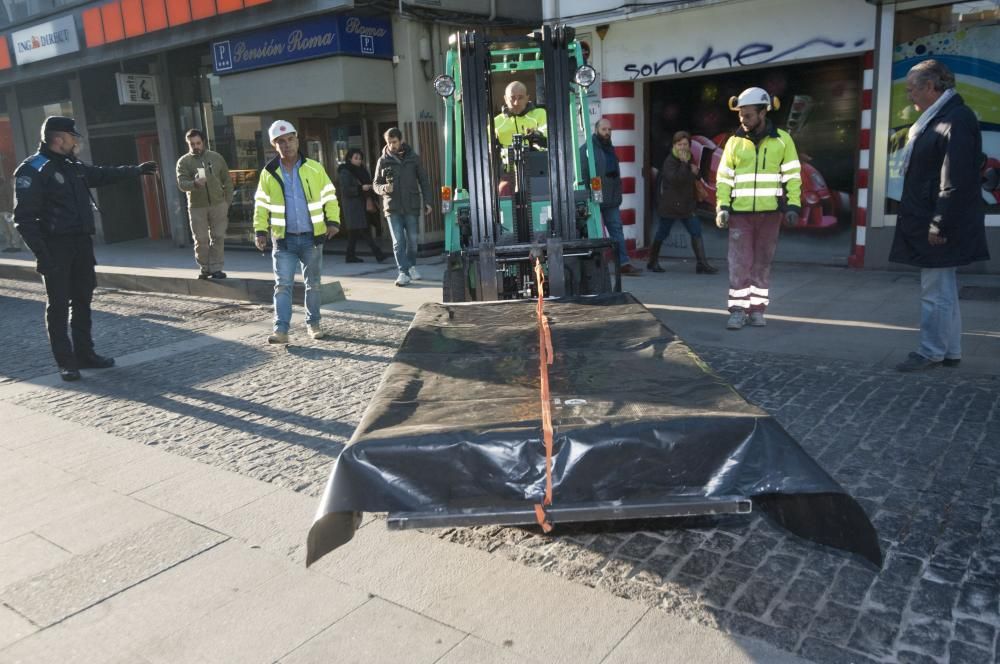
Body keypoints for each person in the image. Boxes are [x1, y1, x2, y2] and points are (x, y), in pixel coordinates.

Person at [12, 116, 158, 381]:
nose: (76, 141)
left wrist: (135, 170)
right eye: (72, 136)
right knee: (57, 306)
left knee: (82, 301)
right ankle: (66, 362)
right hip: (55, 247)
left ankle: (84, 354)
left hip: (81, 244)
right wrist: (42, 257)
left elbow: (101, 174)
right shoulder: (33, 169)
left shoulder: (72, 165)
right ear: (58, 138)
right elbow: (24, 220)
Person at [889, 59, 989, 372]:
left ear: (931, 87)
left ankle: (930, 351)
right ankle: (950, 350)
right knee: (943, 288)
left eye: (911, 89)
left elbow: (955, 177)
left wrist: (939, 222)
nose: (909, 96)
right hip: (933, 215)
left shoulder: (953, 119)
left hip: (940, 220)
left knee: (935, 291)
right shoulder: (942, 118)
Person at [715, 87, 801, 329]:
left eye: (748, 115)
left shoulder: (783, 141)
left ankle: (757, 310)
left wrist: (794, 205)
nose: (743, 120)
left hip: (770, 214)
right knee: (739, 263)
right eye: (740, 115)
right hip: (740, 215)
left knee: (762, 263)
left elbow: (793, 176)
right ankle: (738, 310)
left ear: (763, 113)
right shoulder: (734, 142)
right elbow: (724, 178)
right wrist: (722, 207)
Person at [253, 121, 340, 344]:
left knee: (314, 285)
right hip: (284, 240)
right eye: (281, 141)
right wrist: (260, 231)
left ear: (297, 140)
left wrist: (333, 222)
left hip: (312, 237)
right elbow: (261, 204)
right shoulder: (269, 173)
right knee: (283, 285)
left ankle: (314, 324)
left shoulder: (314, 168)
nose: (287, 144)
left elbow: (330, 196)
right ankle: (281, 330)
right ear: (275, 145)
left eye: (290, 139)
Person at [648, 130, 717, 274]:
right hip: (671, 205)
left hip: (687, 205)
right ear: (674, 145)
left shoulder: (689, 158)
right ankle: (652, 261)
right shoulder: (670, 161)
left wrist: (696, 173)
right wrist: (686, 166)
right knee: (662, 232)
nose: (682, 147)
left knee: (696, 231)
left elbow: (691, 179)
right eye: (679, 144)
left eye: (685, 144)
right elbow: (676, 180)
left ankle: (702, 264)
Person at [372, 128, 432, 287]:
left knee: (413, 241)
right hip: (392, 207)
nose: (391, 145)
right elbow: (375, 185)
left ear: (401, 141)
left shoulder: (414, 158)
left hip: (411, 205)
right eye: (388, 143)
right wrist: (385, 188)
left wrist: (428, 201)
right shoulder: (382, 160)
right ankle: (403, 273)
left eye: (394, 142)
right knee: (398, 242)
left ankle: (411, 266)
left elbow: (424, 181)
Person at [582, 117, 641, 275]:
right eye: (604, 129)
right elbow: (583, 173)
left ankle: (623, 263)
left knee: (616, 230)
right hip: (594, 196)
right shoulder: (587, 148)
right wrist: (588, 194)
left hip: (611, 197)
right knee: (595, 232)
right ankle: (596, 266)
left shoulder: (609, 147)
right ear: (596, 130)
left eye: (609, 130)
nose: (607, 132)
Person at [176, 128, 232, 279]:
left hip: (218, 204)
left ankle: (216, 268)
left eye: (198, 143)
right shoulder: (184, 161)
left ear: (204, 142)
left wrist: (227, 202)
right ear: (188, 144)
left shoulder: (216, 157)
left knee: (218, 236)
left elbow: (227, 179)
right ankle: (205, 268)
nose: (196, 146)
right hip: (196, 206)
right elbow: (182, 184)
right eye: (192, 144)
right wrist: (194, 183)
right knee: (200, 239)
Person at [336, 148, 386, 264]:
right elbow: (345, 190)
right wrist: (360, 188)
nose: (359, 161)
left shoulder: (361, 170)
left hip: (362, 204)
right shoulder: (345, 171)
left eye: (360, 158)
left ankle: (350, 256)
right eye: (356, 158)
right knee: (364, 229)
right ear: (349, 159)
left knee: (354, 232)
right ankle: (378, 254)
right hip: (352, 206)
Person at [494, 81, 548, 149]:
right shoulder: (495, 123)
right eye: (512, 98)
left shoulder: (541, 114)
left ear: (527, 98)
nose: (516, 103)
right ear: (505, 99)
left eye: (520, 98)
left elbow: (551, 140)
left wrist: (539, 137)